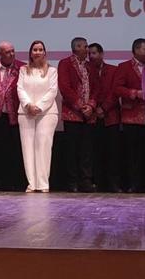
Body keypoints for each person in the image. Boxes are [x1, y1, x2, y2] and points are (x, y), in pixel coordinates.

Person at [16, 40, 59, 192]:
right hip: (25, 112)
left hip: (47, 113)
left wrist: (39, 107)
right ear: (30, 52)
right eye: (35, 49)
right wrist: (28, 105)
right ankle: (32, 184)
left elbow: (52, 91)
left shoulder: (52, 71)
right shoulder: (23, 70)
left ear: (45, 52)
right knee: (27, 148)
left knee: (43, 147)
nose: (38, 52)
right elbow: (20, 89)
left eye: (41, 49)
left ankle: (43, 184)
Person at [112, 38, 145, 193]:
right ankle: (133, 184)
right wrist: (135, 93)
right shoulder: (124, 67)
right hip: (132, 114)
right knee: (133, 153)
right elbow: (117, 88)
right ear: (136, 50)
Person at [58, 37, 99, 192]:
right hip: (72, 114)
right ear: (76, 48)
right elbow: (65, 87)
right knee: (72, 149)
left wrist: (91, 105)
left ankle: (86, 181)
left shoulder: (90, 66)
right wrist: (81, 106)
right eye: (85, 46)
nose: (88, 49)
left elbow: (97, 87)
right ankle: (72, 181)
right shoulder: (65, 63)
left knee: (87, 150)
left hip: (89, 115)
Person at [0, 41, 26, 190]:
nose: (12, 54)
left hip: (16, 114)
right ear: (0, 54)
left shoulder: (22, 67)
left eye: (13, 51)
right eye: (8, 52)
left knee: (15, 150)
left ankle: (15, 182)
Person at [89, 42, 120, 192]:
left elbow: (115, 92)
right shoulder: (86, 70)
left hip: (111, 116)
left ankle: (113, 183)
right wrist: (94, 108)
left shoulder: (114, 70)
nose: (91, 56)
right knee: (95, 151)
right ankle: (97, 182)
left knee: (113, 152)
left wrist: (104, 108)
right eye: (89, 54)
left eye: (94, 53)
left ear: (101, 54)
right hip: (92, 117)